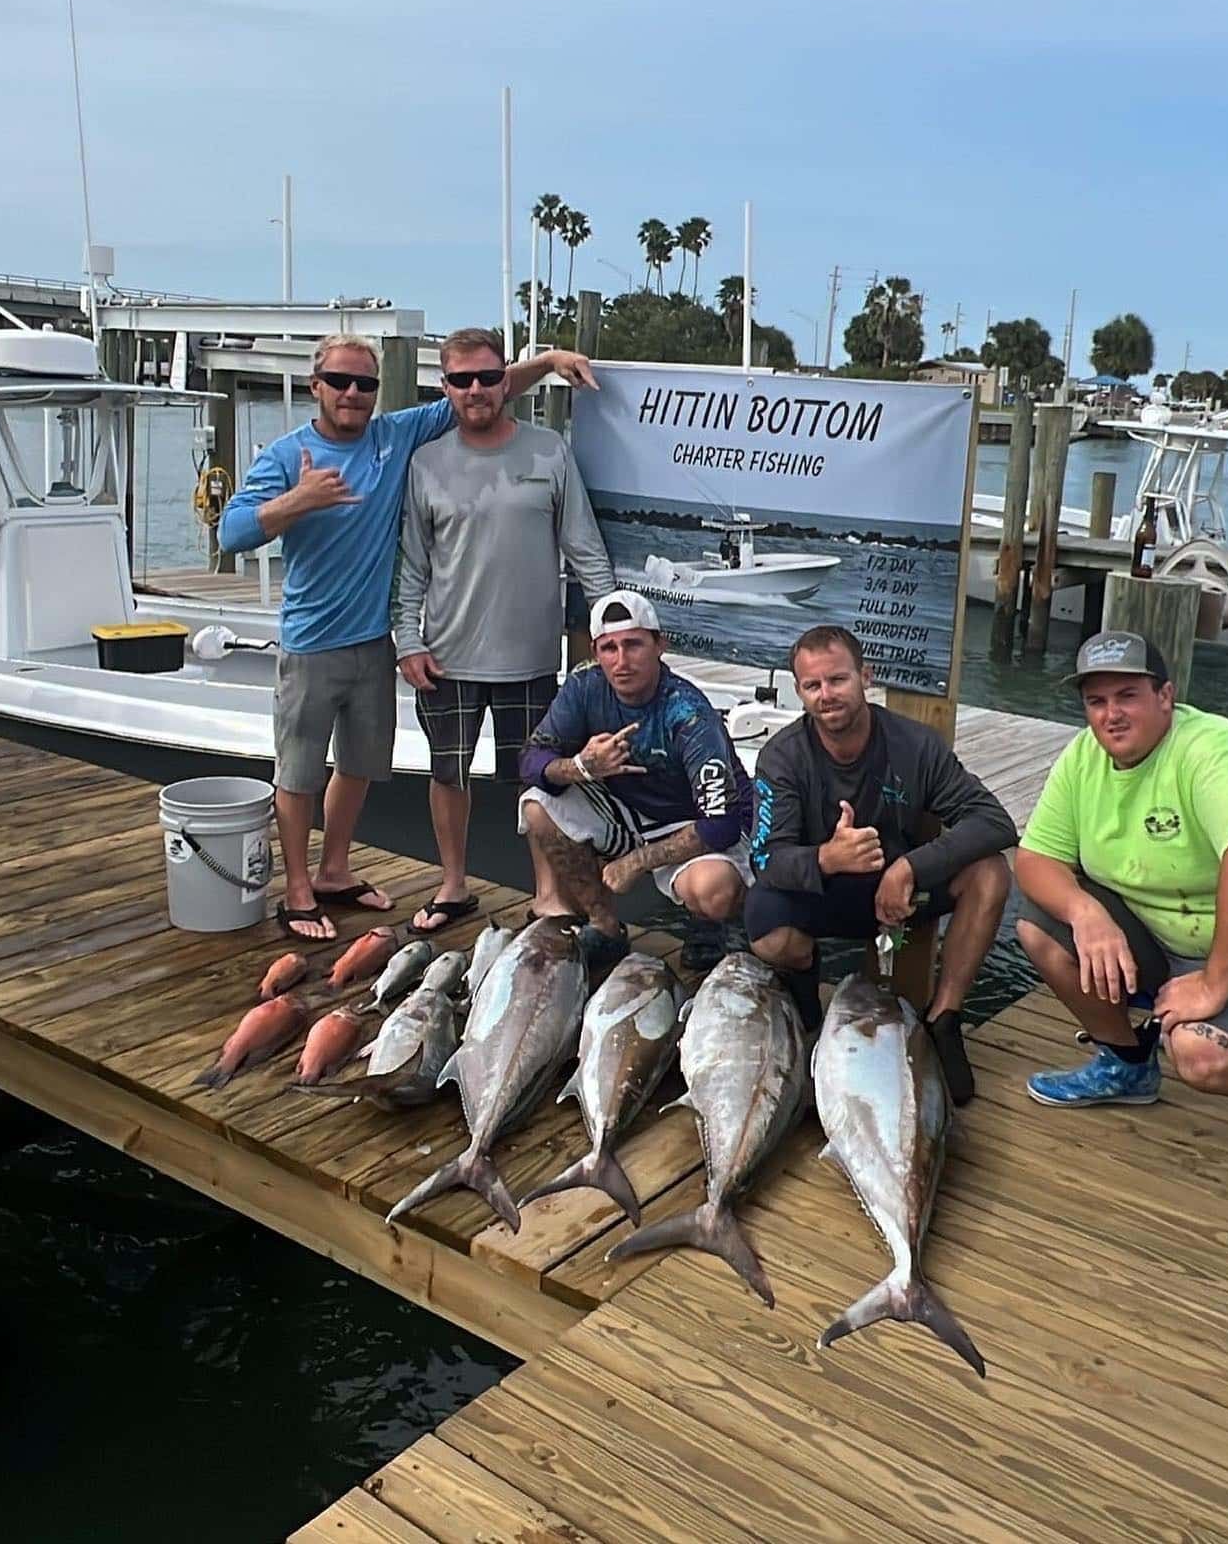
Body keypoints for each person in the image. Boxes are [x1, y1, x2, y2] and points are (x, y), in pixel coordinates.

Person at [217, 332, 595, 941]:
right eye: (339, 382)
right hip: (311, 643)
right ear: (315, 386)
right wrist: (299, 500)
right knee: (298, 773)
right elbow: (232, 534)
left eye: (365, 384)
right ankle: (295, 890)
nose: (352, 394)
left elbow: (482, 391)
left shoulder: (394, 438)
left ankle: (335, 871)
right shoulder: (290, 455)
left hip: (376, 643)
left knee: (361, 765)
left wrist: (549, 363)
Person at [1015, 630, 1228, 1173]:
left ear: (1166, 696)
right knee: (1040, 926)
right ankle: (1127, 1063)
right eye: (1096, 701)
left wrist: (1215, 983)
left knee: (1201, 1058)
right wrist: (1087, 913)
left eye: (1128, 695)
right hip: (1172, 937)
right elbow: (1035, 860)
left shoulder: (1210, 747)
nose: (1111, 715)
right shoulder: (1083, 756)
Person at [394, 328, 616, 934]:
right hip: (447, 657)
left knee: (539, 782)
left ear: (506, 382)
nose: (476, 390)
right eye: (461, 379)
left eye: (488, 377)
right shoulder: (425, 462)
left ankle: (546, 892)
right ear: (445, 387)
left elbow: (586, 551)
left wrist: (609, 629)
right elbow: (412, 565)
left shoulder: (550, 452)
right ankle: (453, 885)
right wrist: (406, 642)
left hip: (532, 659)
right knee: (448, 776)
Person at [746, 625, 1016, 1102]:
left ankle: (943, 1020)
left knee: (992, 873)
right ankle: (806, 1012)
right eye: (813, 685)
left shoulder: (917, 745)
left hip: (900, 893)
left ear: (865, 677)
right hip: (825, 892)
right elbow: (766, 857)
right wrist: (826, 858)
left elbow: (995, 821)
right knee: (768, 929)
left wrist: (910, 867)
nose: (826, 695)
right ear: (798, 691)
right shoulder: (781, 756)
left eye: (838, 680)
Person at [517, 591, 753, 973]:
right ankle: (604, 926)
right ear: (596, 651)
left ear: (660, 644)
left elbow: (722, 823)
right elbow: (530, 760)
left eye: (633, 644)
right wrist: (581, 767)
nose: (621, 661)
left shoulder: (688, 711)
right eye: (609, 648)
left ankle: (718, 925)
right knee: (537, 803)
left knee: (714, 889)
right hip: (629, 812)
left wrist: (637, 862)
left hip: (690, 820)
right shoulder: (584, 687)